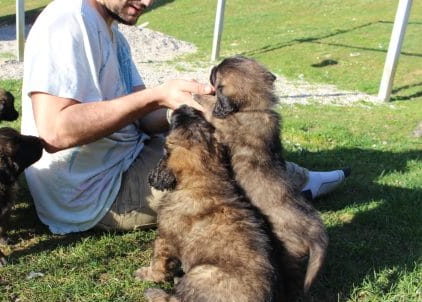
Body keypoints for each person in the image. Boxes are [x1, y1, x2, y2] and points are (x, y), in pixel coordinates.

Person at [21, 0, 349, 234]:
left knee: (221, 126)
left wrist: (183, 100)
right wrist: (155, 95)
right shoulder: (67, 20)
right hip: (95, 192)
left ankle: (293, 180)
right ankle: (294, 189)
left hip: (127, 157)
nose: (147, 2)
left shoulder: (113, 34)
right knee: (223, 154)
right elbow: (55, 132)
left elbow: (144, 118)